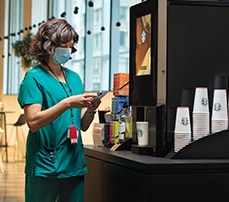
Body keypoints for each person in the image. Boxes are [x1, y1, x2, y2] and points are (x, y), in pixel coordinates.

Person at [17, 18, 101, 202]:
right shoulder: (34, 78)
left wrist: (91, 111)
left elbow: (83, 126)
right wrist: (67, 103)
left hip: (74, 163)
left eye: (71, 46)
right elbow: (33, 122)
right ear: (49, 46)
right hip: (45, 165)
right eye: (65, 45)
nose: (69, 50)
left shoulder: (75, 78)